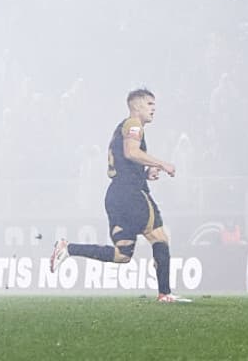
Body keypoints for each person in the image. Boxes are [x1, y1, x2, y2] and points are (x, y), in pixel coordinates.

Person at [49, 89, 189, 302]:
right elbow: (131, 152)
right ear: (137, 106)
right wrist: (161, 164)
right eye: (150, 104)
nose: (154, 108)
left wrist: (145, 172)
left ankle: (68, 249)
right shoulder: (134, 124)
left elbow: (125, 160)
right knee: (159, 238)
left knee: (122, 254)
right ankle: (165, 293)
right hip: (131, 193)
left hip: (115, 195)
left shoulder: (121, 128)